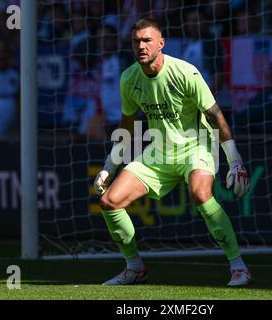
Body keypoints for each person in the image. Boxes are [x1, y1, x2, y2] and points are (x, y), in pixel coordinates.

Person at [93, 18, 251, 286]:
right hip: (159, 151)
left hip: (197, 145)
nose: (141, 46)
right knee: (109, 202)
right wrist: (110, 166)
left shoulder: (185, 73)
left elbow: (216, 116)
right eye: (136, 41)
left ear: (161, 43)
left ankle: (238, 266)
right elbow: (126, 127)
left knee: (201, 194)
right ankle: (134, 268)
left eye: (147, 40)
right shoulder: (129, 78)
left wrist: (234, 161)